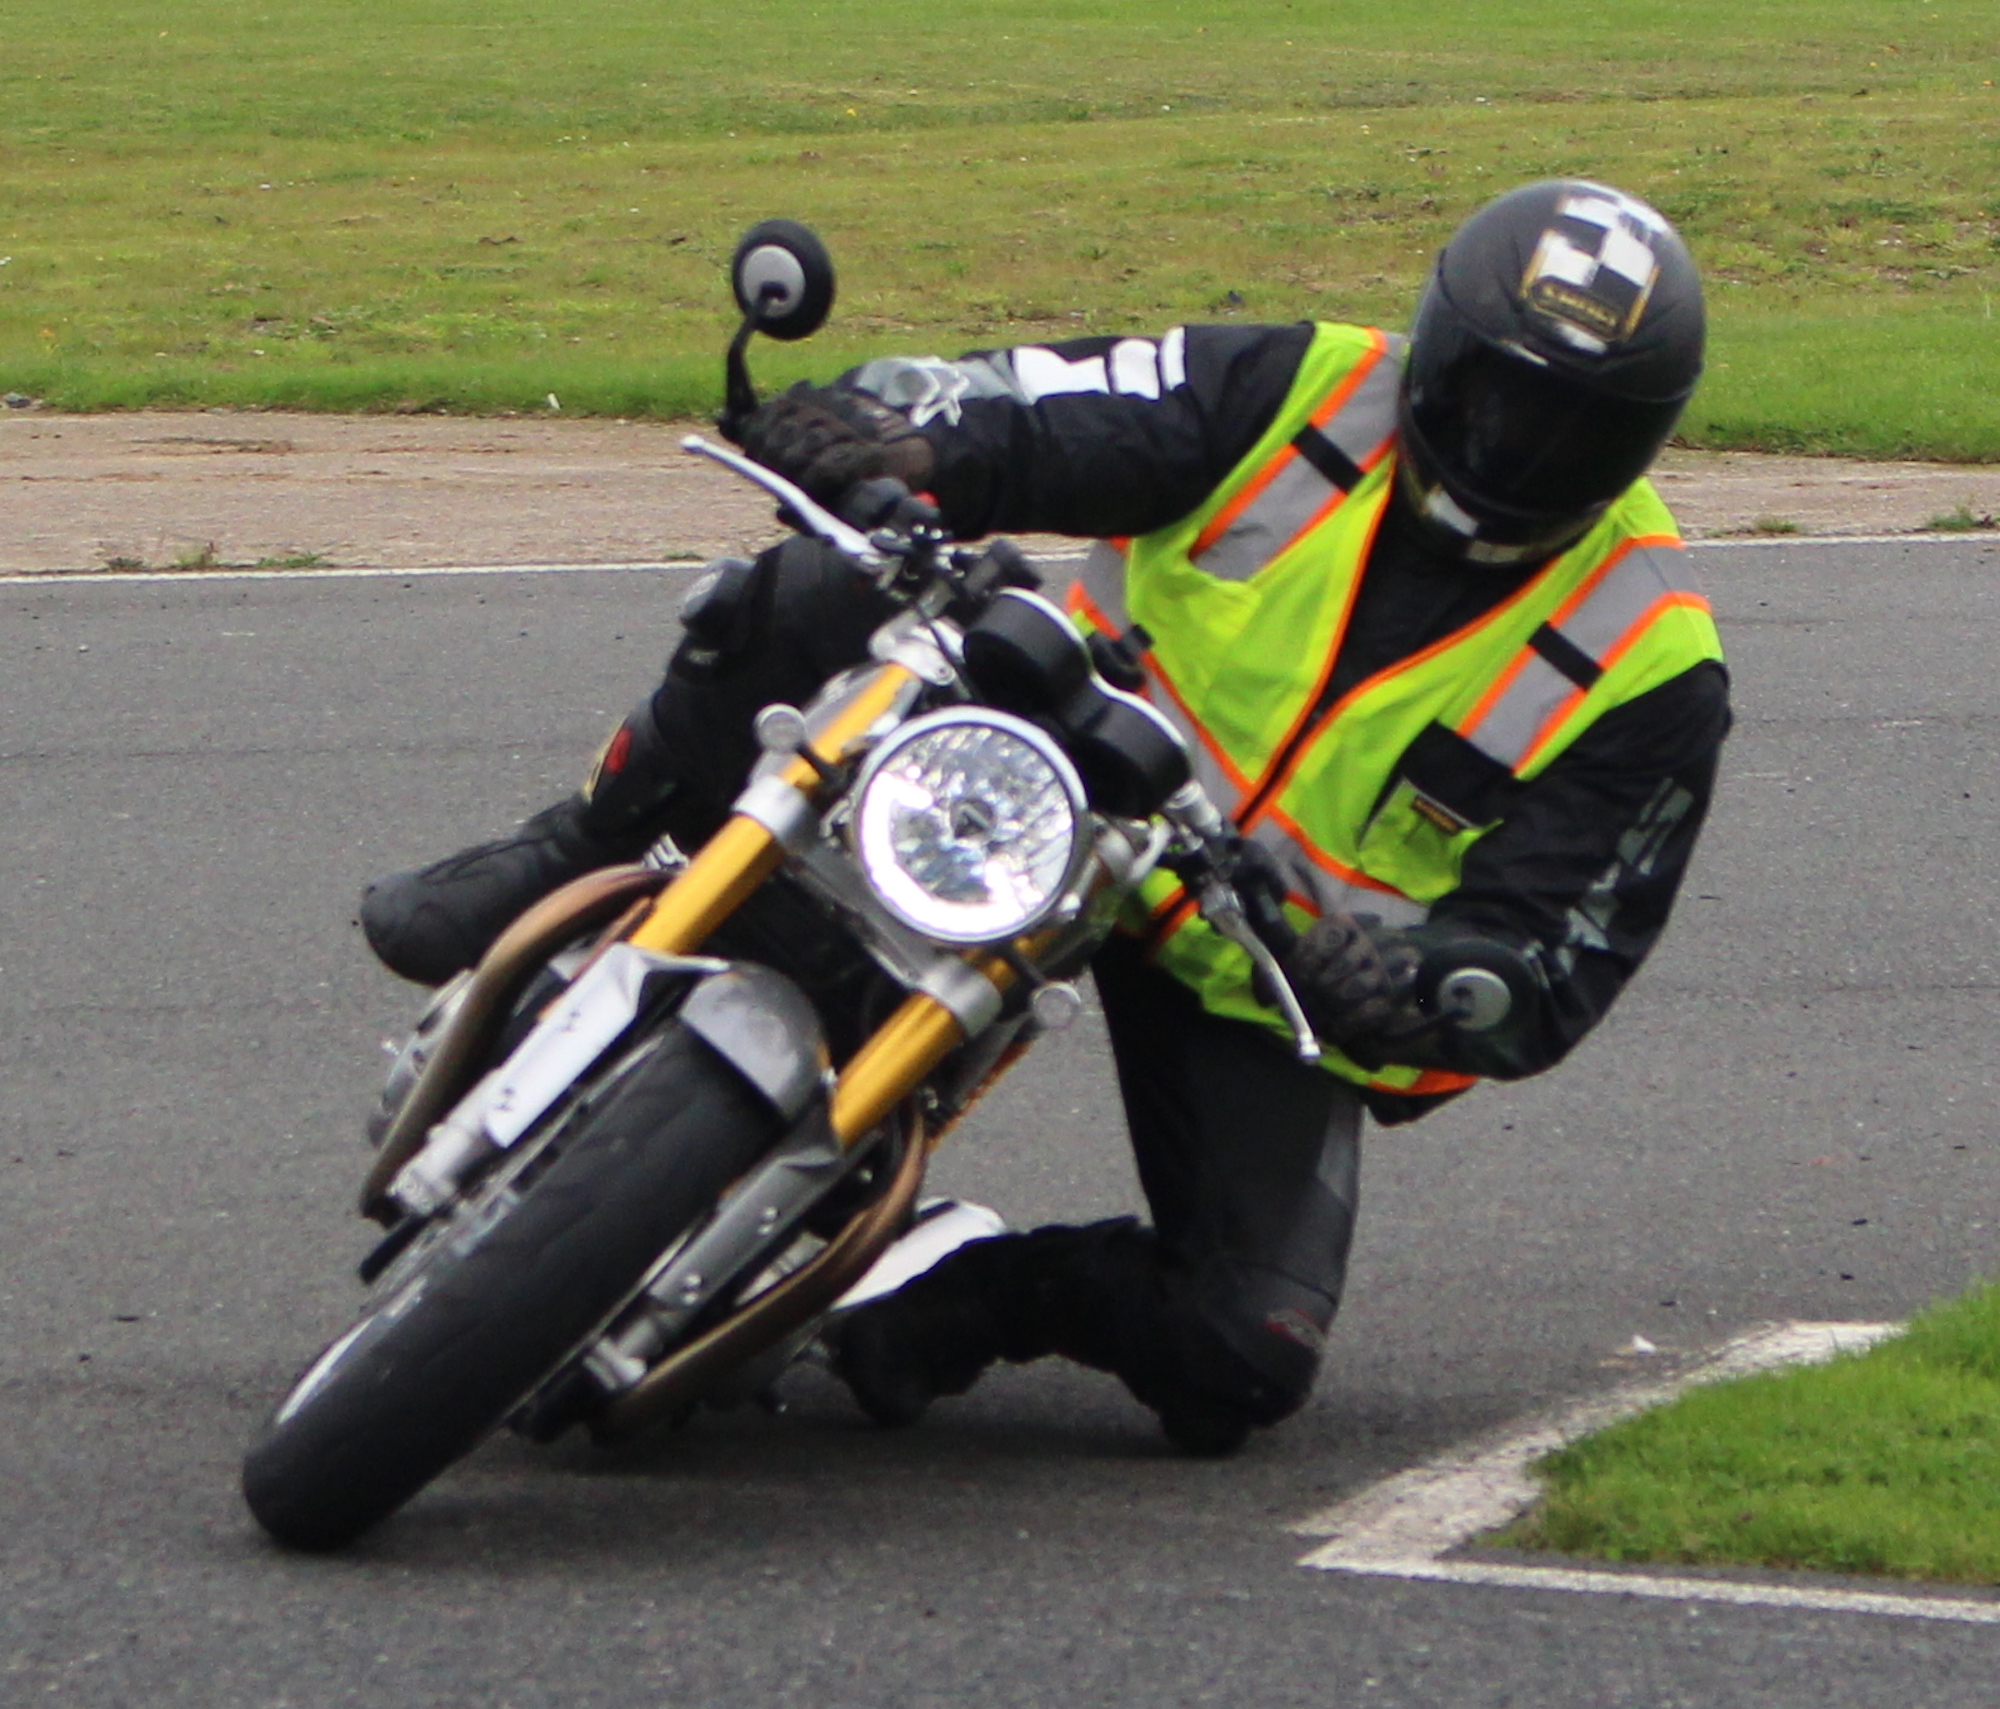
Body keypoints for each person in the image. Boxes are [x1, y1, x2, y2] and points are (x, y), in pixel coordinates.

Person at [360, 180, 1729, 1455]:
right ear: (1437, 344)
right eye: (1493, 400)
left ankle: (969, 1289)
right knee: (828, 582)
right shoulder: (1303, 388)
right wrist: (884, 433)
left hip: (1256, 962)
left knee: (1242, 1348)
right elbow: (1036, 402)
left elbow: (1554, 953)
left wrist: (1408, 980)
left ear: (1647, 437)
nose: (1512, 448)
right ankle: (590, 836)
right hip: (1055, 759)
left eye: (1573, 430)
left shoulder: (1648, 657)